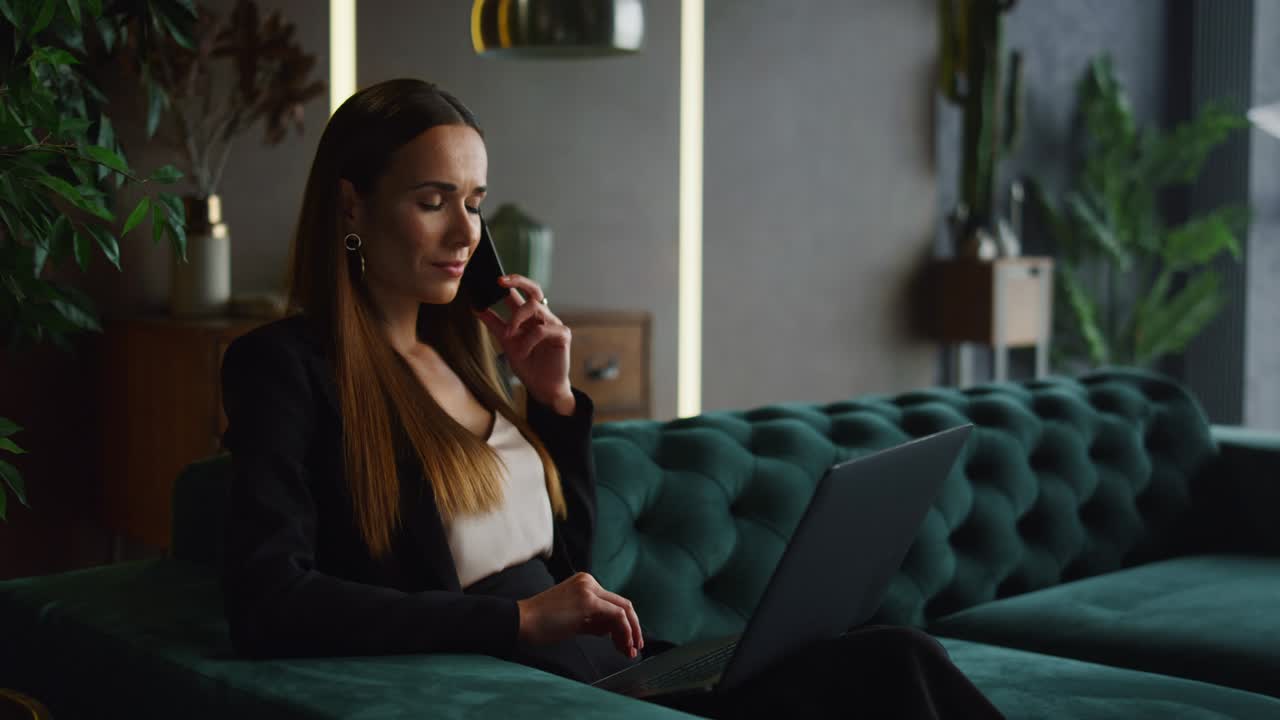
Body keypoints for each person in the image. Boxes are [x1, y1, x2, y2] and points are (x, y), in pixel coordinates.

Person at [219, 78, 1003, 719]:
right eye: (433, 201)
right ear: (352, 207)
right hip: (534, 692)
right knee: (894, 667)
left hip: (619, 674)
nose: (465, 235)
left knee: (892, 654)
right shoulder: (285, 368)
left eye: (475, 202)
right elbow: (270, 599)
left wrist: (553, 399)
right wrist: (517, 619)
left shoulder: (462, 360)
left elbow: (566, 563)